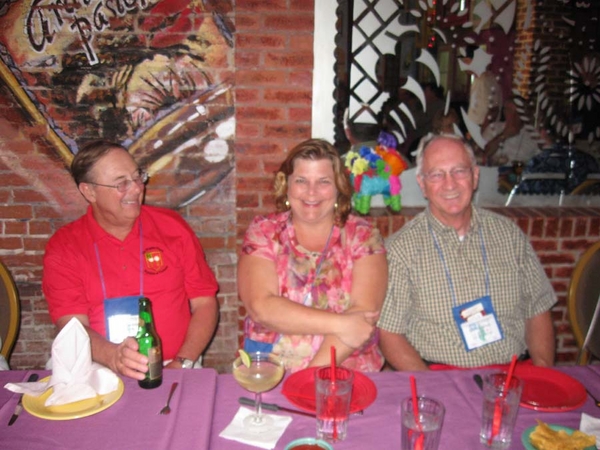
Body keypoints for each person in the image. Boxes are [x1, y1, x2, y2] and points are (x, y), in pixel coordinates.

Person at [42, 141, 219, 380]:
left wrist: (183, 363)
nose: (136, 189)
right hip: (94, 364)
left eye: (137, 177)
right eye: (121, 183)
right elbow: (71, 325)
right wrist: (113, 356)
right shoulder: (65, 246)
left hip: (172, 362)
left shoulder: (172, 228)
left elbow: (205, 303)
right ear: (89, 191)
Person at [378, 134, 556, 370]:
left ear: (475, 176)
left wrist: (543, 374)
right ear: (422, 184)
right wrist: (432, 387)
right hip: (441, 376)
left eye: (459, 171)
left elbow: (538, 309)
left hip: (513, 373)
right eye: (436, 175)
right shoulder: (401, 249)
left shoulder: (510, 236)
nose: (449, 184)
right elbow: (389, 333)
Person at [238, 139, 387, 372]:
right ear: (286, 185)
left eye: (323, 182)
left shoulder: (362, 235)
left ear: (339, 187)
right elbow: (261, 307)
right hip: (271, 373)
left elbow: (363, 318)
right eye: (301, 180)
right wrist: (342, 323)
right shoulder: (264, 232)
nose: (311, 192)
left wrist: (308, 380)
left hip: (346, 375)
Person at [481, 97, 541, 166]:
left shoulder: (533, 134)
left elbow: (540, 162)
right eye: (510, 111)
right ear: (504, 112)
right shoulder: (493, 128)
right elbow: (484, 154)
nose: (513, 116)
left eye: (517, 112)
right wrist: (503, 135)